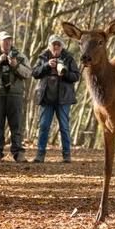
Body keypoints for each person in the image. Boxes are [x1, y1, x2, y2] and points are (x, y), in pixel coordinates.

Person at [0, 31, 32, 162]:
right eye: (4, 41)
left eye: (9, 40)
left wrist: (15, 65)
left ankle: (18, 153)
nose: (7, 43)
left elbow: (27, 73)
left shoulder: (19, 55)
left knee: (16, 124)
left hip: (15, 94)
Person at [31, 34, 80, 163]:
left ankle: (66, 154)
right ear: (49, 46)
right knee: (44, 126)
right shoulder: (43, 57)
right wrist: (47, 65)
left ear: (62, 46)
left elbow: (76, 76)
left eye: (59, 44)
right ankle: (40, 154)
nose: (56, 47)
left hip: (63, 98)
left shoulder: (68, 58)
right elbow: (35, 73)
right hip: (47, 98)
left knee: (64, 127)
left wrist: (65, 74)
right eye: (54, 44)